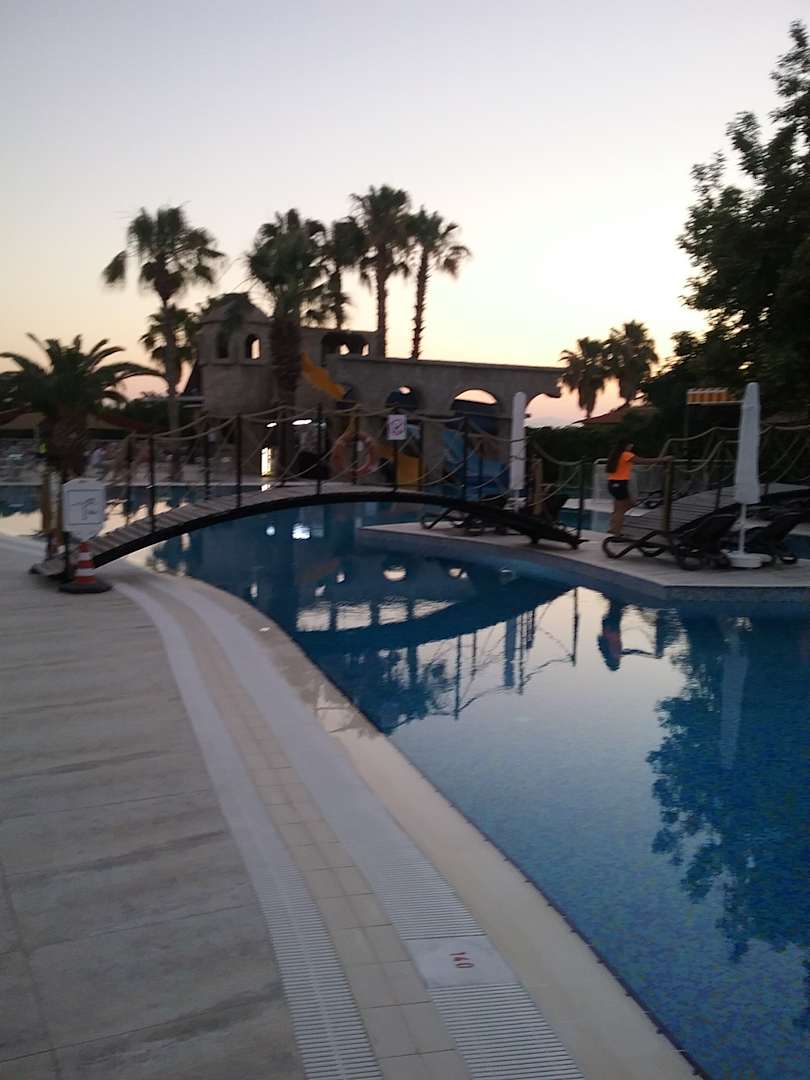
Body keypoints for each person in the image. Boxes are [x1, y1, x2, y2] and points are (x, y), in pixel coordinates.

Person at [606, 439, 670, 535]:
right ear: (626, 445)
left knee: (618, 508)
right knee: (622, 509)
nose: (632, 446)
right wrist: (663, 459)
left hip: (612, 483)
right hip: (620, 484)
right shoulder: (626, 454)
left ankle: (613, 527)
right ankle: (617, 533)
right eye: (630, 445)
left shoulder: (616, 455)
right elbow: (643, 461)